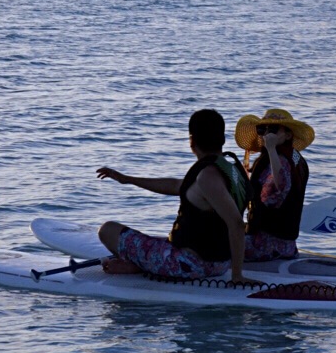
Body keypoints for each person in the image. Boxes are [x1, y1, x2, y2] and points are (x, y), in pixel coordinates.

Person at [95, 109, 249, 282]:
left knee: (107, 230)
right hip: (218, 263)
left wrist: (237, 276)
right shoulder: (230, 169)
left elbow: (236, 224)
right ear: (222, 139)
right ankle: (137, 264)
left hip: (190, 265)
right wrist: (127, 179)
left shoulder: (208, 176)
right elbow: (177, 186)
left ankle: (137, 265)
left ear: (191, 141)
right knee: (158, 240)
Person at [234, 108, 313, 261]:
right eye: (263, 129)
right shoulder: (294, 158)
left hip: (267, 244)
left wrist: (271, 150)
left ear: (288, 135)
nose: (267, 134)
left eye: (274, 130)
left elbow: (278, 190)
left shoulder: (279, 160)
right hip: (285, 243)